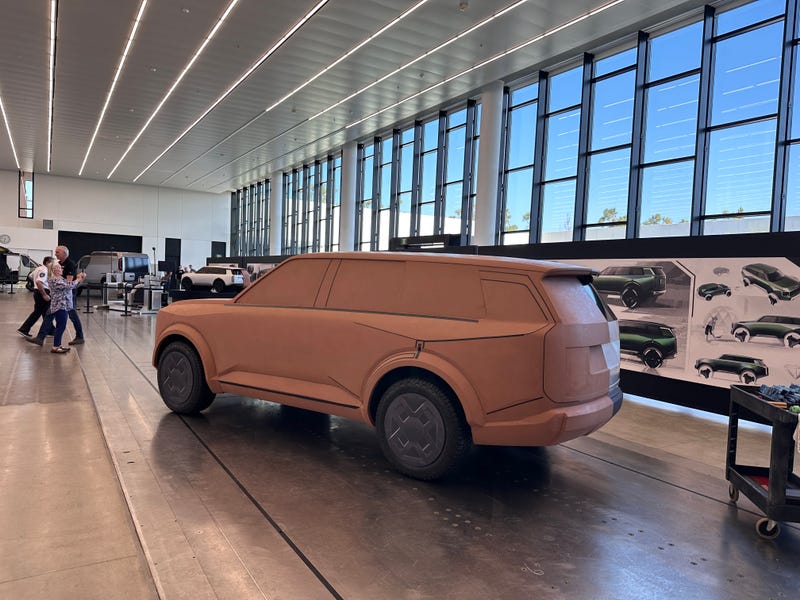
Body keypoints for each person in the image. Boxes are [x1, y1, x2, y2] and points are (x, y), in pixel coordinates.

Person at [41, 261, 85, 353]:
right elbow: (69, 285)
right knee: (61, 326)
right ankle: (56, 346)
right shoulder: (54, 280)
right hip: (59, 306)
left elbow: (71, 286)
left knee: (61, 326)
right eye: (59, 268)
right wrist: (77, 279)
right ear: (54, 270)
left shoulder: (60, 278)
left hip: (64, 306)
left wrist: (79, 279)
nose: (62, 269)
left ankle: (58, 345)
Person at [54, 245, 85, 345]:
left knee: (72, 315)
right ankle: (44, 334)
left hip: (67, 295)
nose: (55, 254)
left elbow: (69, 283)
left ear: (64, 253)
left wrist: (78, 280)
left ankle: (80, 336)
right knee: (49, 314)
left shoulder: (70, 264)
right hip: (59, 295)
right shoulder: (59, 264)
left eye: (57, 252)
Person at [17, 256, 54, 337]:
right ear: (47, 262)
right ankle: (24, 329)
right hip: (42, 291)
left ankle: (50, 330)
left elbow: (31, 276)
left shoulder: (38, 268)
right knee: (41, 312)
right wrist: (44, 294)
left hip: (37, 292)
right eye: (52, 263)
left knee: (44, 312)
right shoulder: (44, 270)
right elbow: (39, 282)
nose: (53, 265)